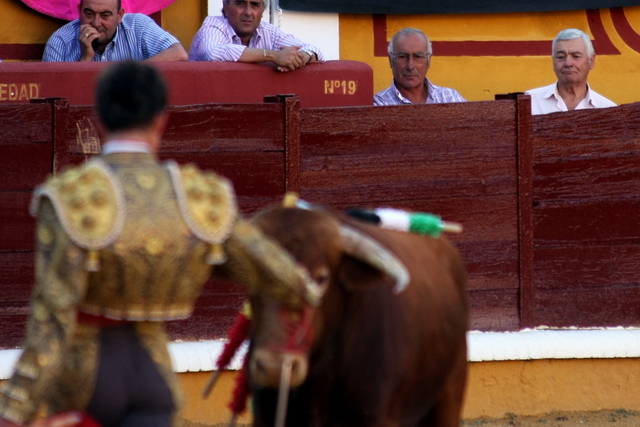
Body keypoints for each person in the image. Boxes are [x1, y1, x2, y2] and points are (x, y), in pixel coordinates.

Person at [0, 61, 313, 427]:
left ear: (100, 121)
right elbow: (281, 277)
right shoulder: (197, 197)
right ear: (161, 120)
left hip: (87, 378)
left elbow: (52, 316)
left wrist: (14, 409)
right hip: (155, 377)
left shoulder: (72, 197)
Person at [189, 0, 324, 72]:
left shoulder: (269, 31)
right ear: (225, 6)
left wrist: (301, 57)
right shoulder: (213, 25)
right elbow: (213, 53)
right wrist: (274, 56)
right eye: (240, 3)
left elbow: (315, 50)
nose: (248, 12)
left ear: (262, 10)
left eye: (255, 5)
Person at [42, 0, 188, 62]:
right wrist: (86, 58)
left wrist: (131, 73)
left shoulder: (137, 26)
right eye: (89, 14)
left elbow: (179, 54)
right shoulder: (60, 41)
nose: (96, 23)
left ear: (120, 16)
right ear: (79, 11)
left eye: (105, 15)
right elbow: (51, 98)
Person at [525, 28, 616, 115]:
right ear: (553, 61)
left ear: (591, 61)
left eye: (576, 56)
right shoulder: (530, 102)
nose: (568, 63)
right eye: (561, 57)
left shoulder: (607, 109)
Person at [374, 28, 465, 105]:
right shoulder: (379, 104)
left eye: (418, 57)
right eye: (402, 57)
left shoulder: (450, 98)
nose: (410, 66)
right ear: (391, 61)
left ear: (428, 61)